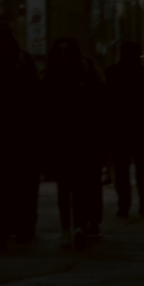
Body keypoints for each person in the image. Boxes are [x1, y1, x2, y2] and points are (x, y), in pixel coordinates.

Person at [0, 21, 42, 249]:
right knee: (2, 188)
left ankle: (16, 229)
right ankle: (3, 231)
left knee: (16, 187)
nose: (0, 43)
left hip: (17, 137)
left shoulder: (18, 62)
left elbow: (34, 98)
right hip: (0, 138)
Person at [46, 37, 105, 246]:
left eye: (66, 52)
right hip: (61, 142)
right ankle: (66, 227)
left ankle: (79, 225)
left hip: (81, 141)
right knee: (64, 188)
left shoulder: (84, 78)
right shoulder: (51, 78)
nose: (63, 55)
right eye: (60, 51)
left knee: (79, 187)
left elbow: (95, 109)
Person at [106, 38, 144, 218]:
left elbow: (106, 103)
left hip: (119, 130)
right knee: (143, 169)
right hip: (140, 128)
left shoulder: (111, 73)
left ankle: (124, 205)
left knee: (121, 171)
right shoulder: (143, 73)